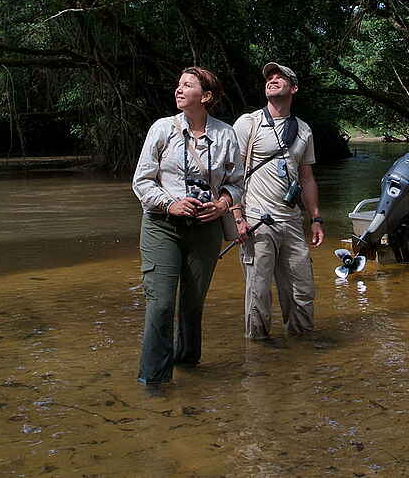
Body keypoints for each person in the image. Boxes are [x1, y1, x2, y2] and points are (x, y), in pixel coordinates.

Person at [131, 66, 243, 387]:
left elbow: (236, 183)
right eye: (178, 85)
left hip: (206, 229)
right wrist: (171, 204)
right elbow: (142, 181)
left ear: (205, 97)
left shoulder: (226, 134)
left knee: (193, 304)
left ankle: (189, 368)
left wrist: (222, 204)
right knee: (161, 304)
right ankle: (154, 381)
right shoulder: (162, 129)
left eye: (187, 85)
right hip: (162, 225)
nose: (178, 90)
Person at [232, 62, 323, 340]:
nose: (272, 80)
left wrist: (316, 218)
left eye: (279, 77)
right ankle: (258, 352)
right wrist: (237, 218)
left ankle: (302, 347)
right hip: (257, 221)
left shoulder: (304, 130)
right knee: (258, 293)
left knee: (302, 291)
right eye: (269, 77)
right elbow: (230, 175)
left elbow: (307, 178)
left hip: (292, 222)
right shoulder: (248, 123)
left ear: (293, 88)